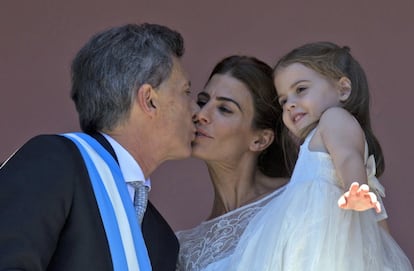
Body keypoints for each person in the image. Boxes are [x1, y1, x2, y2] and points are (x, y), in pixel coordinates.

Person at [0, 23, 198, 271]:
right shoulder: (55, 162)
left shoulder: (162, 239)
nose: (196, 110)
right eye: (186, 92)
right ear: (149, 100)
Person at [225, 42, 413, 270]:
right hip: (309, 238)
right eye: (283, 100)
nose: (290, 104)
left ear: (343, 89)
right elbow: (377, 218)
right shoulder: (318, 135)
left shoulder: (334, 118)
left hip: (327, 236)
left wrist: (356, 187)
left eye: (301, 89)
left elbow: (348, 158)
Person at [176, 55, 291, 271]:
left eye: (225, 109)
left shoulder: (293, 202)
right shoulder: (184, 247)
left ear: (260, 140)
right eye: (202, 101)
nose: (201, 115)